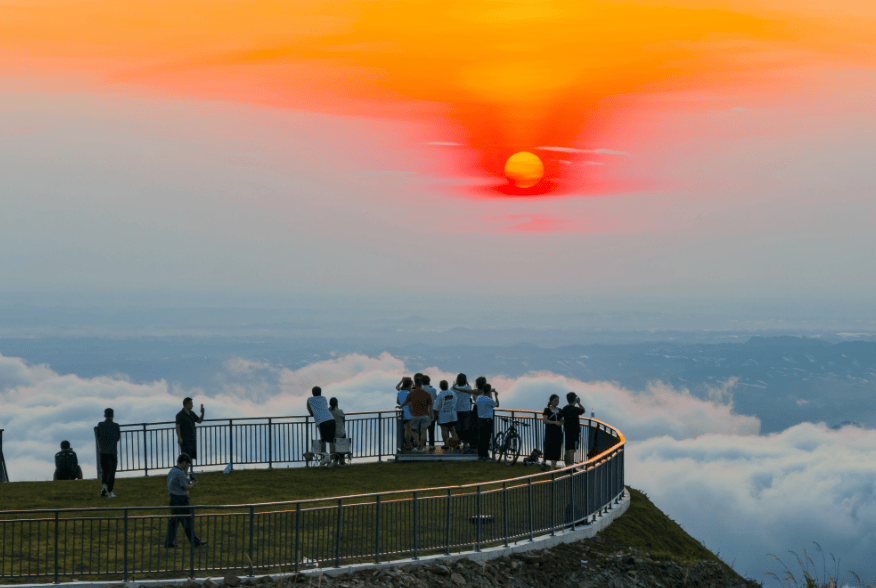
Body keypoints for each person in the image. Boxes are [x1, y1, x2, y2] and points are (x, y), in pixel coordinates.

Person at [164, 453, 206, 549]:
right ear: (184, 463)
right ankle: (195, 543)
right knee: (187, 521)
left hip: (173, 499)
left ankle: (169, 543)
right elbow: (185, 486)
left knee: (174, 522)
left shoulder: (172, 471)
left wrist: (186, 476)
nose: (188, 467)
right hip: (182, 500)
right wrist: (192, 483)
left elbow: (178, 482)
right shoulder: (180, 472)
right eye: (188, 464)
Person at [400, 375, 433, 452]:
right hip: (425, 415)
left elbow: (406, 402)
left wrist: (400, 406)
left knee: (413, 430)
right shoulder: (427, 393)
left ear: (415, 383)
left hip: (415, 415)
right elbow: (430, 406)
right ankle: (422, 447)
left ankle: (418, 445)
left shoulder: (412, 393)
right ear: (421, 384)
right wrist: (431, 415)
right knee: (423, 431)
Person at [175, 397, 204, 481]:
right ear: (186, 404)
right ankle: (182, 475)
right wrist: (179, 437)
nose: (192, 405)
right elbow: (177, 427)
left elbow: (199, 421)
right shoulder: (180, 415)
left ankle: (184, 475)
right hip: (184, 440)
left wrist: (202, 413)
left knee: (189, 459)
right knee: (185, 459)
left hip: (192, 440)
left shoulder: (192, 413)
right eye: (191, 404)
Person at [95, 408, 121, 497]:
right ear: (112, 415)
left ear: (104, 415)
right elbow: (118, 438)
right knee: (112, 472)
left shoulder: (100, 425)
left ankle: (104, 487)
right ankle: (110, 491)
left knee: (104, 471)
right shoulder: (116, 426)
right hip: (112, 452)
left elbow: (97, 436)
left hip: (102, 452)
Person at [307, 386, 336, 456]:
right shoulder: (324, 398)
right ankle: (333, 460)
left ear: (312, 393)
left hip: (322, 421)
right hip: (331, 419)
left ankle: (324, 459)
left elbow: (309, 409)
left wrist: (312, 414)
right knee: (332, 441)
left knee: (323, 441)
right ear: (320, 392)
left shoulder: (310, 399)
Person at [452, 374, 476, 452]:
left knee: (457, 427)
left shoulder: (453, 388)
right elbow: (470, 393)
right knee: (466, 427)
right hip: (466, 409)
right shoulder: (468, 387)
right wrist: (467, 383)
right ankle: (465, 442)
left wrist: (455, 383)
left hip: (456, 410)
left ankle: (458, 442)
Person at [560, 392, 586, 467]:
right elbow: (583, 410)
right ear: (575, 399)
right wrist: (578, 403)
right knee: (572, 450)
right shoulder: (575, 409)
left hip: (567, 431)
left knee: (567, 450)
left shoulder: (565, 408)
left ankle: (567, 466)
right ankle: (571, 467)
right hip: (575, 432)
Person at [475, 384, 499, 461]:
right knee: (487, 438)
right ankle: (485, 454)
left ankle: (480, 455)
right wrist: (496, 396)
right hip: (488, 420)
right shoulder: (489, 400)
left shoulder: (478, 398)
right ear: (489, 391)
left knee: (480, 438)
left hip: (480, 420)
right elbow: (497, 404)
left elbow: (481, 395)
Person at [542, 394, 564, 470]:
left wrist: (562, 422)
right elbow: (544, 420)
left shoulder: (560, 411)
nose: (557, 402)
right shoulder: (547, 410)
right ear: (551, 401)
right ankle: (544, 461)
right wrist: (555, 422)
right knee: (548, 448)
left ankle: (552, 467)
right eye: (555, 400)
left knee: (556, 449)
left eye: (558, 400)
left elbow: (562, 419)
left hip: (558, 433)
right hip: (550, 433)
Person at [435, 380, 458, 450]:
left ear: (440, 387)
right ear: (447, 385)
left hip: (443, 416)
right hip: (452, 415)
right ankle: (456, 444)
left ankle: (446, 445)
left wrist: (436, 416)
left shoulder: (440, 395)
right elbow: (455, 402)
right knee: (453, 430)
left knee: (444, 430)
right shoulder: (453, 393)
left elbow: (437, 407)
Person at [329, 397, 349, 466]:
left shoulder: (328, 412)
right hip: (341, 433)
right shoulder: (340, 411)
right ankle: (342, 461)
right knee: (342, 441)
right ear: (337, 403)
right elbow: (343, 422)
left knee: (335, 443)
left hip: (332, 434)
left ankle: (335, 460)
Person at [396, 377, 414, 451]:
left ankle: (404, 444)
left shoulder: (399, 392)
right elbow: (410, 404)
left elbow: (398, 402)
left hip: (401, 413)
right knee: (408, 430)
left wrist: (402, 380)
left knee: (403, 430)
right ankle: (408, 444)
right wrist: (413, 413)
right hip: (408, 413)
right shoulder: (409, 393)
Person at [421, 375, 438, 450]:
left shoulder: (420, 389)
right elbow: (435, 398)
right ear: (429, 381)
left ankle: (423, 444)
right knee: (431, 430)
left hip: (421, 412)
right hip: (431, 411)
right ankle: (431, 444)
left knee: (422, 430)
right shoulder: (433, 390)